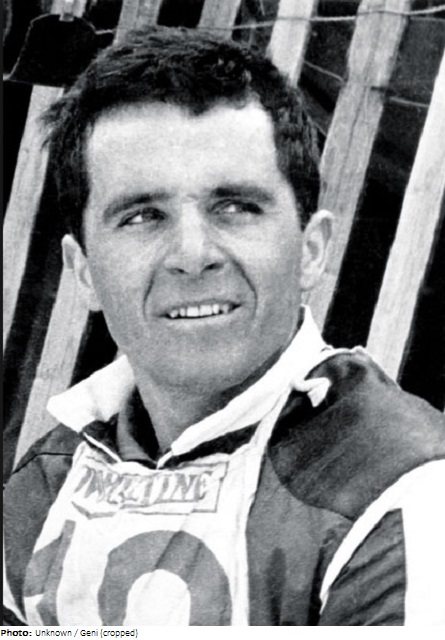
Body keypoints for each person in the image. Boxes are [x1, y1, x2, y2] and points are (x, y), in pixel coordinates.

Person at [3, 26, 445, 627]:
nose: (193, 254)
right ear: (83, 271)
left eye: (235, 207)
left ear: (311, 250)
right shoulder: (49, 478)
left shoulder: (404, 487)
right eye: (142, 215)